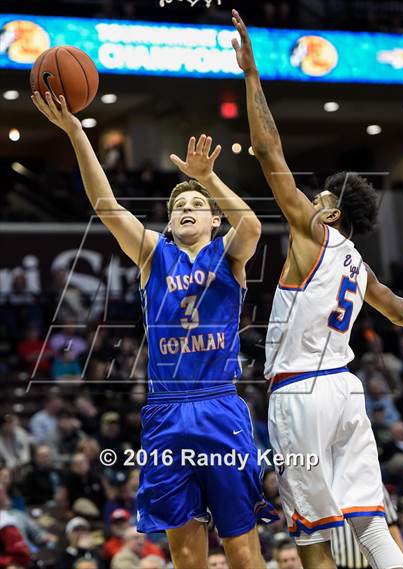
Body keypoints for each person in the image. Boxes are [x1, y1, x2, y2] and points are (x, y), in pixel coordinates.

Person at [32, 89, 276, 569]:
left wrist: (206, 178)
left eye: (196, 204)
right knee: (185, 554)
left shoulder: (228, 254)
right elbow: (106, 206)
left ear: (213, 219)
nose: (186, 207)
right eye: (178, 204)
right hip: (166, 414)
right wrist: (78, 134)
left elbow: (251, 227)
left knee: (242, 550)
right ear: (168, 221)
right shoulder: (152, 255)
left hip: (219, 406)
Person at [231, 8, 403, 569]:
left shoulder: (316, 235)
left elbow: (268, 155)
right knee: (370, 520)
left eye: (319, 200)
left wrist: (251, 75)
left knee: (311, 532)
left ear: (332, 211)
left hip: (303, 393)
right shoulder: (360, 266)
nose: (310, 202)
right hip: (346, 391)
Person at [331, 485, 403, 569]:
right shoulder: (329, 483)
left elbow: (392, 525)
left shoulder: (376, 483)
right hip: (337, 564)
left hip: (371, 564)